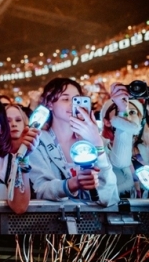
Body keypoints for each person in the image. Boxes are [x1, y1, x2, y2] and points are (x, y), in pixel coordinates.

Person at [26, 77, 118, 206]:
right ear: (50, 104)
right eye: (65, 99)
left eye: (76, 99)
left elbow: (109, 196)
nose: (72, 104)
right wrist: (72, 184)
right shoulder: (38, 142)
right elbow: (41, 189)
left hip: (92, 217)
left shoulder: (91, 139)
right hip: (56, 216)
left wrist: (97, 144)